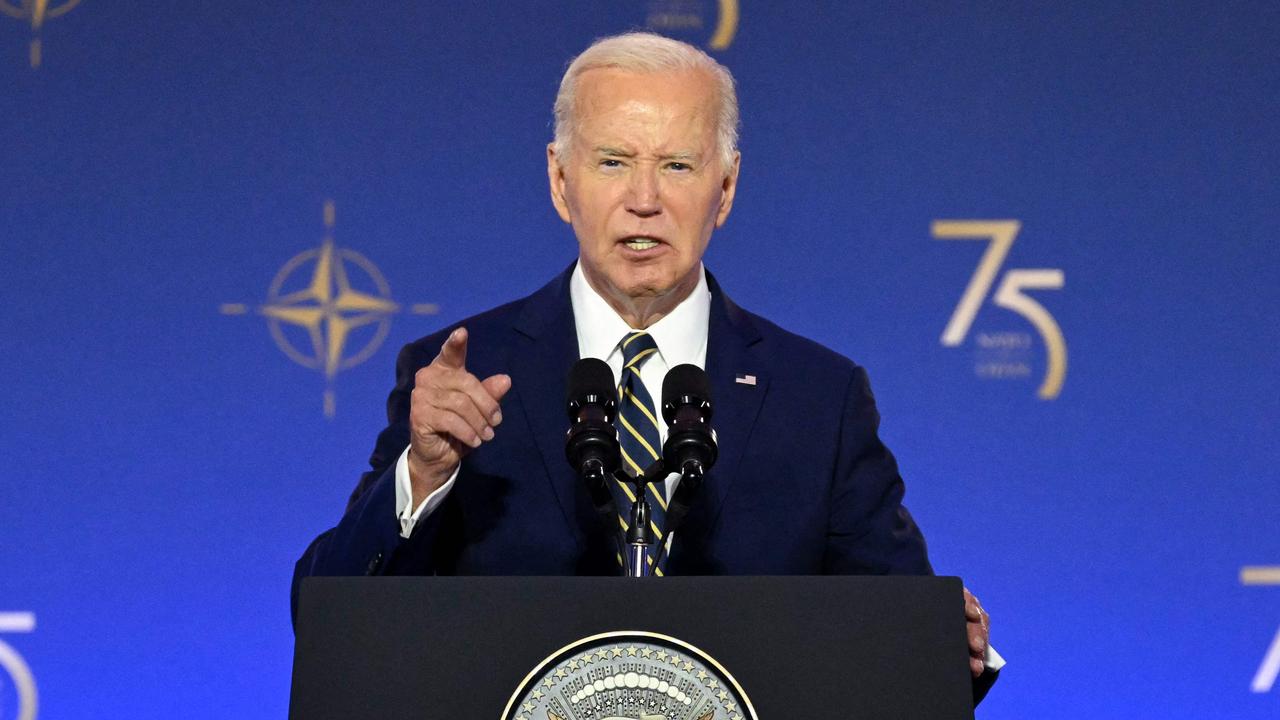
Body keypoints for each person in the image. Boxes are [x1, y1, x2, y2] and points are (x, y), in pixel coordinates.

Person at [293, 31, 1001, 698]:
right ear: (560, 180)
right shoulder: (464, 372)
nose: (644, 199)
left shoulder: (819, 397)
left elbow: (903, 640)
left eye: (677, 165)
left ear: (724, 189)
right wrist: (422, 476)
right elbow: (328, 617)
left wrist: (947, 643)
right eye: (613, 161)